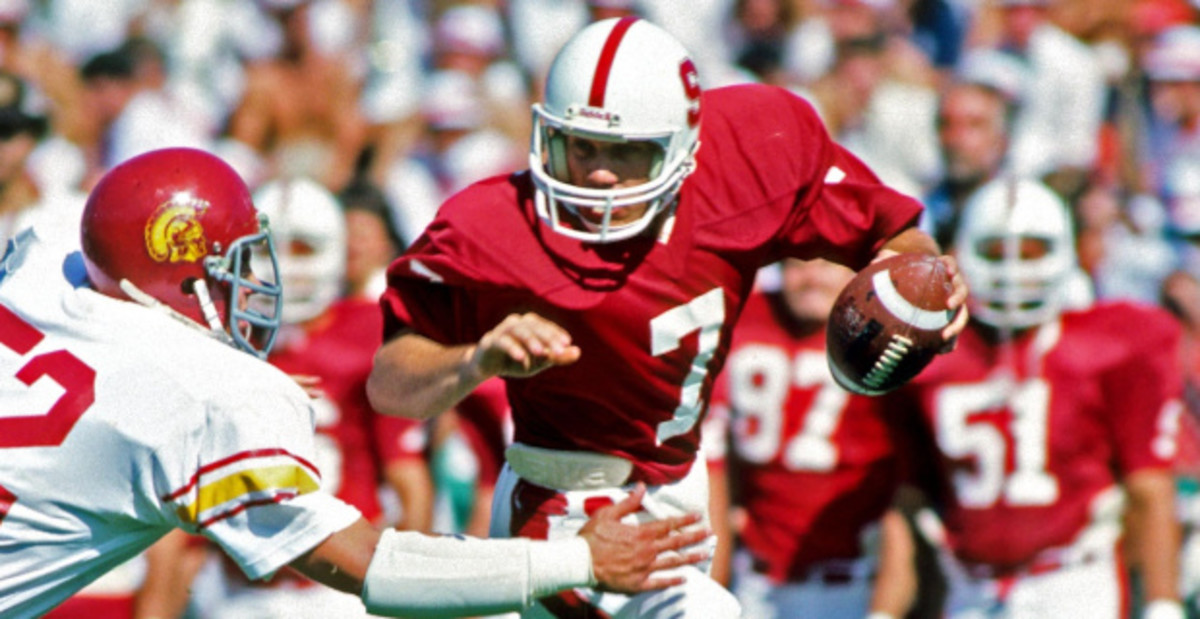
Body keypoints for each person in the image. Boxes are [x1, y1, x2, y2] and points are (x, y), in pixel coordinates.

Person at [366, 17, 968, 618]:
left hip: (679, 485)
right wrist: (475, 360)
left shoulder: (752, 157)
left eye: (625, 153)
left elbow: (894, 237)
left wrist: (922, 292)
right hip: (560, 501)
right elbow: (391, 385)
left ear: (686, 145)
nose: (599, 174)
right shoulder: (490, 226)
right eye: (581, 146)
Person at [0, 147, 709, 618]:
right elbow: (373, 565)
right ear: (181, 276)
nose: (253, 282)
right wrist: (578, 556)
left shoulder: (38, 272)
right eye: (233, 266)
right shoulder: (207, 395)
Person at [890, 176, 1184, 619]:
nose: (1013, 270)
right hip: (971, 588)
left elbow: (1149, 486)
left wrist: (1163, 603)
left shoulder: (1108, 343)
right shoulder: (934, 352)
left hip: (1072, 584)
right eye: (995, 253)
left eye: (1031, 253)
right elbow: (911, 501)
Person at [705, 258, 917, 619]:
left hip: (853, 586)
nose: (812, 277)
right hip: (755, 582)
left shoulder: (892, 336)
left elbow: (906, 498)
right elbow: (712, 462)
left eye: (829, 263)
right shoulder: (743, 316)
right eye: (798, 264)